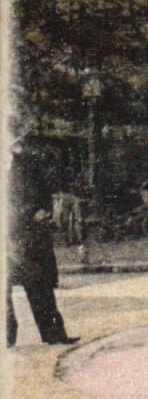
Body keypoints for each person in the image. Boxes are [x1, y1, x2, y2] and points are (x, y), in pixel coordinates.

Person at [7, 141, 76, 346]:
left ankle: (54, 334)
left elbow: (45, 197)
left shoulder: (29, 163)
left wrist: (43, 211)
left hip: (29, 236)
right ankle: (6, 337)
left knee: (40, 284)